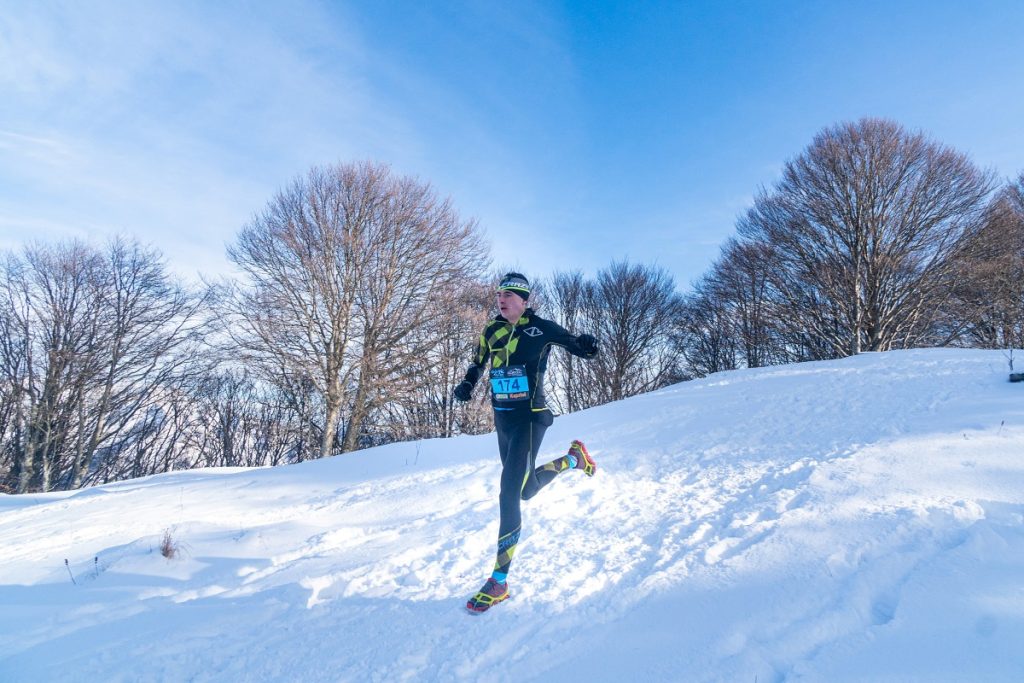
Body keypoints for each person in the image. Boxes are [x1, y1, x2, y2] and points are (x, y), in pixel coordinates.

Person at [453, 272, 599, 613]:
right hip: (503, 418)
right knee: (526, 490)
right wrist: (467, 384)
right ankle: (574, 460)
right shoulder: (492, 330)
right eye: (499, 295)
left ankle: (499, 582)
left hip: (531, 417)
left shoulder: (542, 328)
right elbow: (477, 362)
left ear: (524, 300)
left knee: (508, 493)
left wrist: (588, 347)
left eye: (508, 295)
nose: (501, 299)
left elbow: (577, 346)